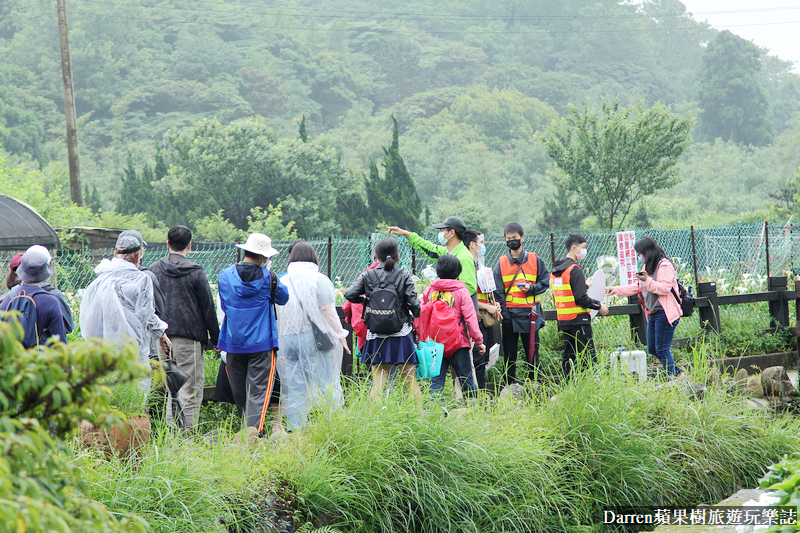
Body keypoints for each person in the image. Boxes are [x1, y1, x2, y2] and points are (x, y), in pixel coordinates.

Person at [149, 225, 221, 431]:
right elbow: (208, 308)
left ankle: (170, 436)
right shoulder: (196, 272)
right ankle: (186, 439)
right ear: (190, 245)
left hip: (161, 338)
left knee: (168, 389)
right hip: (189, 340)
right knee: (189, 389)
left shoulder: (154, 270)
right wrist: (216, 339)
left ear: (167, 244)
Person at [217, 233, 289, 434]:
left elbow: (224, 304)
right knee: (259, 392)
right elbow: (284, 298)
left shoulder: (224, 276)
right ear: (264, 257)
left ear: (245, 251)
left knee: (240, 392)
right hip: (262, 344)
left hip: (233, 342)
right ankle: (253, 434)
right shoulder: (269, 279)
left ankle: (249, 432)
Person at [80, 233, 170, 386]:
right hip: (133, 350)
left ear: (116, 253)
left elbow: (88, 315)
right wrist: (162, 335)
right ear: (138, 256)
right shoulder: (142, 279)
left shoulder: (100, 280)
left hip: (103, 351)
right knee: (135, 394)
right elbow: (147, 315)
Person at [276, 242, 350, 430]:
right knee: (325, 383)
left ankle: (295, 428)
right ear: (313, 257)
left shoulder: (281, 281)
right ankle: (331, 425)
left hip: (286, 341)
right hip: (313, 339)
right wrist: (341, 334)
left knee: (294, 387)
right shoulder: (319, 279)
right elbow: (328, 311)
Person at [345, 238, 422, 402]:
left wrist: (366, 301)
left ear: (376, 256)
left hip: (376, 333)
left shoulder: (368, 274)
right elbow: (414, 304)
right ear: (397, 256)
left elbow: (349, 294)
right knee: (410, 379)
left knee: (378, 381)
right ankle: (419, 416)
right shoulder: (403, 275)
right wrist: (414, 314)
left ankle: (376, 418)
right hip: (401, 332)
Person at [606, 236, 684, 377]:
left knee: (662, 349)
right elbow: (638, 286)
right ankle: (678, 374)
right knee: (653, 348)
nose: (639, 256)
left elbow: (664, 288)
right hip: (653, 312)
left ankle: (674, 377)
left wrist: (647, 279)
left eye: (640, 253)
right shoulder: (646, 266)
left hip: (664, 313)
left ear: (647, 252)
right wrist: (615, 289)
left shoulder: (664, 265)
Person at [492, 223, 549, 385]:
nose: (511, 241)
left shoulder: (535, 259)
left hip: (531, 315)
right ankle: (510, 388)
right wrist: (504, 312)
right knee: (510, 356)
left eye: (514, 238)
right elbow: (497, 291)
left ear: (522, 238)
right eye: (508, 239)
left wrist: (532, 288)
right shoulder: (501, 262)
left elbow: (545, 283)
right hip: (510, 315)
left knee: (533, 355)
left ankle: (536, 387)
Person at [421, 254, 485, 399]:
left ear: (438, 271)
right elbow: (470, 318)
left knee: (437, 379)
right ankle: (473, 409)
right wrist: (479, 340)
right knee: (466, 377)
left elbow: (421, 316)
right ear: (458, 272)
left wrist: (424, 340)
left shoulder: (429, 291)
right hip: (459, 342)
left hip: (435, 342)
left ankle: (437, 411)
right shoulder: (462, 291)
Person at [550, 234, 608, 377]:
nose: (584, 250)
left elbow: (566, 292)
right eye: (583, 247)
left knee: (568, 356)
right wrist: (599, 305)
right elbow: (582, 298)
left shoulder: (556, 271)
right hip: (579, 320)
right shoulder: (574, 269)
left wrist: (583, 285)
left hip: (564, 320)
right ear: (574, 248)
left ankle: (567, 386)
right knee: (588, 357)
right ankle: (590, 387)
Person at [387, 216, 477, 305]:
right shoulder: (447, 252)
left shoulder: (464, 257)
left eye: (442, 230)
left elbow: (469, 288)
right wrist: (407, 234)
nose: (440, 234)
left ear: (452, 233)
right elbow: (428, 248)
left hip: (458, 312)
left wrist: (446, 296)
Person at [1, 246, 66, 346]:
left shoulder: (8, 299)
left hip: (14, 358)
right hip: (42, 358)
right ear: (45, 273)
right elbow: (60, 342)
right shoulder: (51, 301)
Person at [463, 230, 499, 390]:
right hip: (476, 318)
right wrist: (487, 307)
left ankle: (482, 393)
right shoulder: (467, 266)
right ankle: (476, 395)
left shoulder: (480, 267)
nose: (483, 246)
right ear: (472, 245)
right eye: (481, 243)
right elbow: (467, 297)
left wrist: (494, 304)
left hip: (486, 319)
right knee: (478, 359)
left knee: (484, 358)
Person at [342, 260, 379, 355]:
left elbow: (347, 306)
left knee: (373, 365)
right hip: (393, 330)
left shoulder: (365, 275)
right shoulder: (399, 275)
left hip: (365, 331)